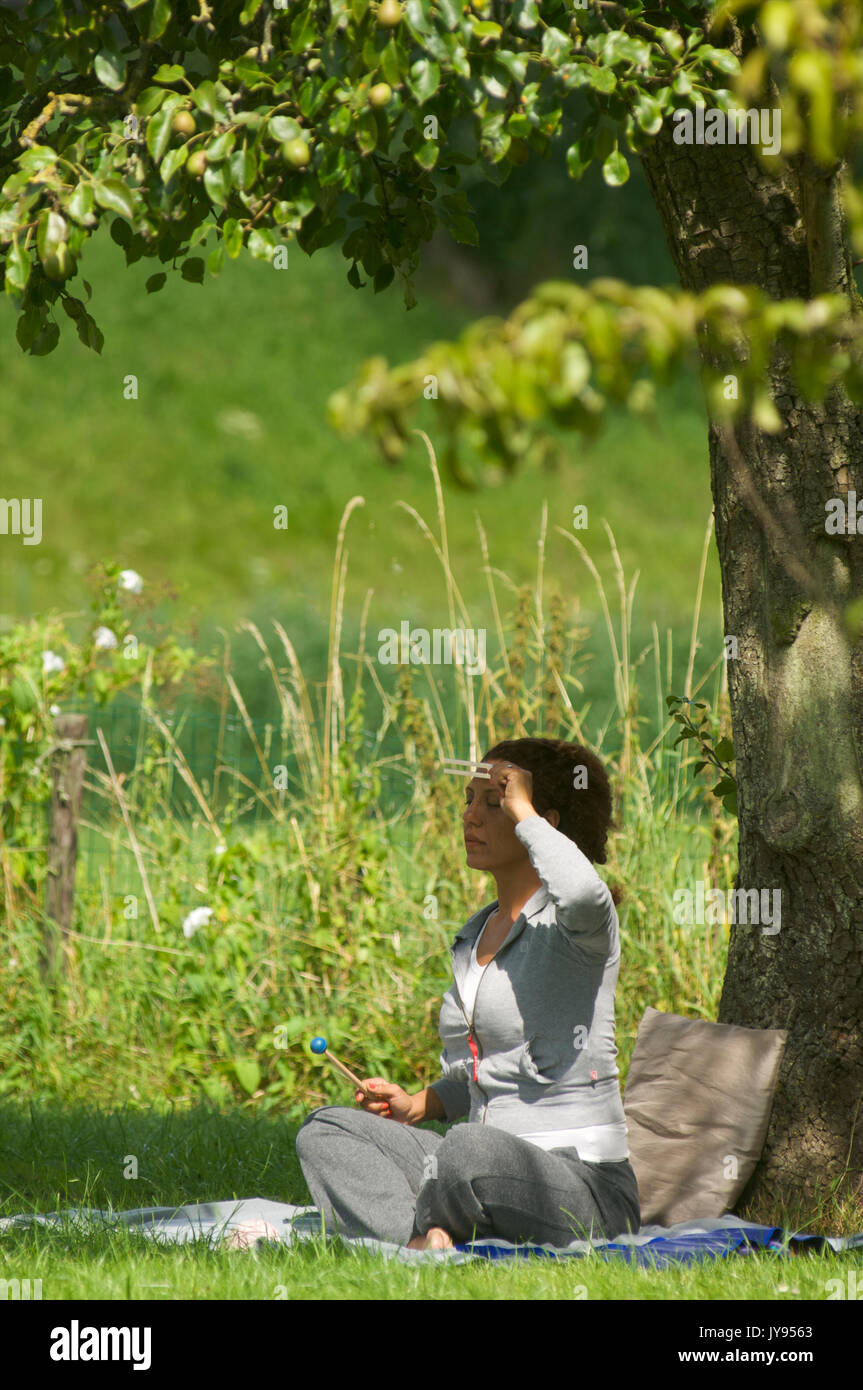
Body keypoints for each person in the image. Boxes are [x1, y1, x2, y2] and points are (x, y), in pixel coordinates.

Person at [295, 737, 641, 1251]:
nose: (470, 816)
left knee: (466, 1152)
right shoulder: (474, 936)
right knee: (325, 1131)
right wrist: (417, 1104)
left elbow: (586, 891)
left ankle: (412, 1226)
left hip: (581, 1187)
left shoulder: (580, 928)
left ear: (543, 821)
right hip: (472, 1167)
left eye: (493, 802)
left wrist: (522, 808)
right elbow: (481, 1073)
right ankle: (423, 1240)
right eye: (469, 799)